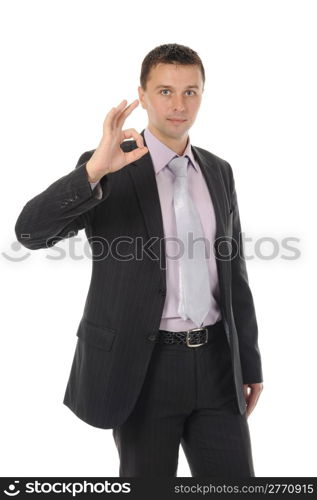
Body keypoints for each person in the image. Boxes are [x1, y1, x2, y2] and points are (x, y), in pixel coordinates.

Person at [15, 43, 263, 477]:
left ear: (203, 95)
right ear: (143, 96)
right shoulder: (110, 166)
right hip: (142, 369)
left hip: (217, 366)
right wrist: (93, 171)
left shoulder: (219, 170)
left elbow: (234, 272)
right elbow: (30, 233)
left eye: (191, 92)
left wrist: (250, 360)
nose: (179, 104)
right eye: (165, 91)